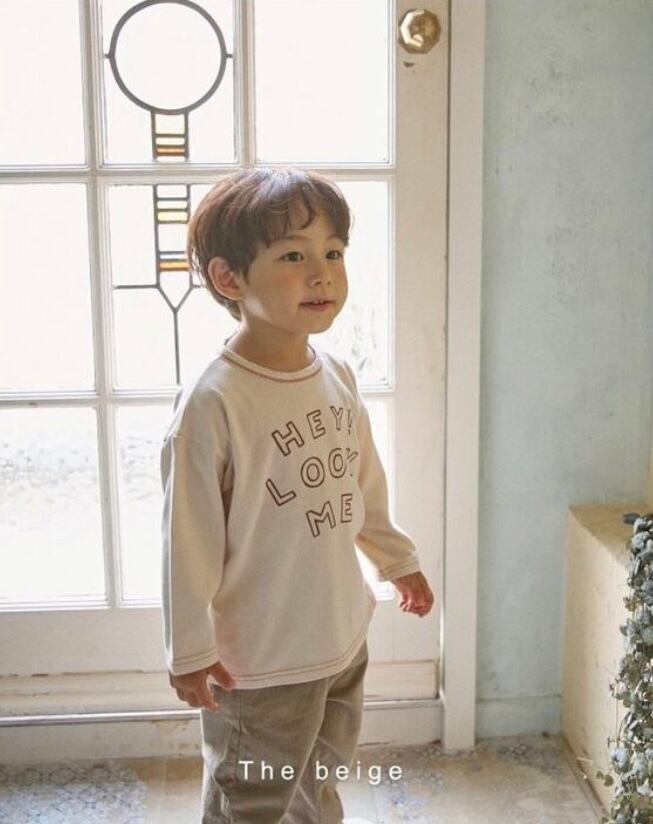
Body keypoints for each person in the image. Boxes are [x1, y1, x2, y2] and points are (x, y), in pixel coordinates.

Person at [160, 166, 435, 823]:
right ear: (229, 279)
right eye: (293, 256)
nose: (321, 274)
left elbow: (360, 482)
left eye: (332, 253)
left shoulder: (334, 373)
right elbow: (187, 540)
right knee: (252, 795)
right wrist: (189, 649)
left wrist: (396, 559)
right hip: (260, 660)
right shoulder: (214, 403)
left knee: (319, 779)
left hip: (339, 635)